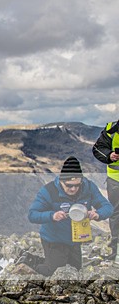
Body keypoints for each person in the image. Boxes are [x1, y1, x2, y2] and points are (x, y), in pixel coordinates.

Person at [20, 156, 113, 275]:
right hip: (53, 239)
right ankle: (28, 261)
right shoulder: (49, 191)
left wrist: (98, 214)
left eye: (77, 185)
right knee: (54, 272)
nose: (73, 189)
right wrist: (52, 216)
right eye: (69, 185)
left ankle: (46, 261)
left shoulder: (88, 187)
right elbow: (32, 215)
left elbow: (108, 207)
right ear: (61, 181)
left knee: (75, 272)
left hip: (76, 239)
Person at [92, 118, 119, 260]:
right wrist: (109, 155)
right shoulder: (111, 129)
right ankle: (116, 251)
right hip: (116, 180)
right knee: (116, 215)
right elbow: (98, 148)